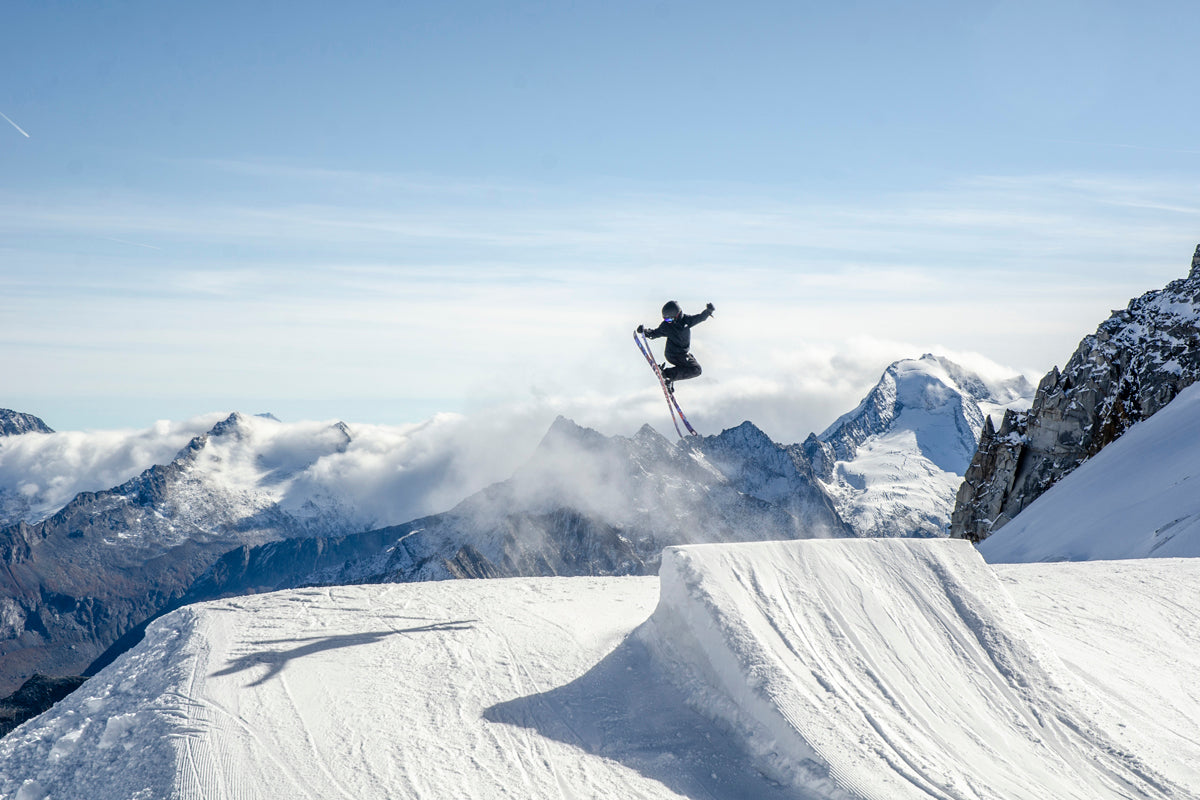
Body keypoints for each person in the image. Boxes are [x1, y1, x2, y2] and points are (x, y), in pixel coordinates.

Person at [638, 300, 715, 391]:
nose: (668, 321)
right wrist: (645, 332)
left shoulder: (686, 320)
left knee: (695, 368)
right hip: (673, 354)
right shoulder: (666, 326)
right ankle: (667, 375)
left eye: (669, 319)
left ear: (677, 315)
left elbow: (700, 317)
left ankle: (669, 379)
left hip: (683, 353)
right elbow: (655, 333)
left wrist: (708, 311)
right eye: (666, 319)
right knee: (696, 370)